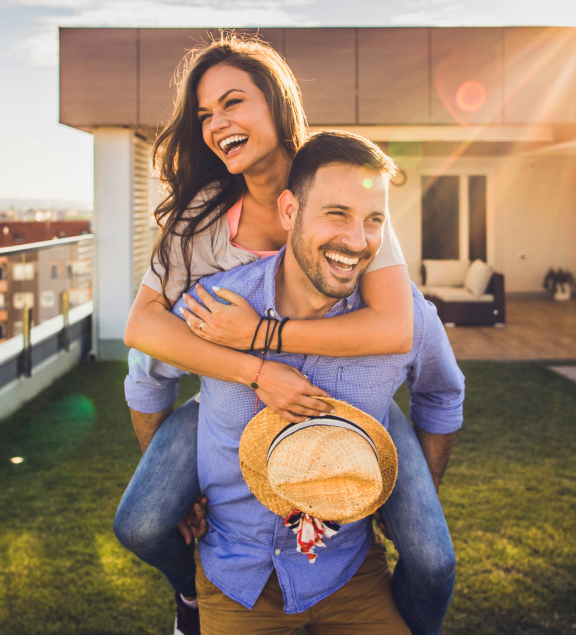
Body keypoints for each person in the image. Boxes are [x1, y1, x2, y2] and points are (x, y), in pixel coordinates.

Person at [116, 34, 459, 635]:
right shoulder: (201, 223)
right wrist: (256, 370)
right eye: (204, 115)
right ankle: (191, 596)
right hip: (230, 390)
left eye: (232, 103)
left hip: (351, 394)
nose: (216, 123)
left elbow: (396, 326)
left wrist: (265, 335)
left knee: (432, 558)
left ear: (276, 105)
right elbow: (144, 330)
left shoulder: (341, 190)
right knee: (144, 522)